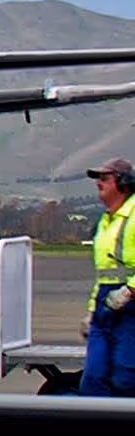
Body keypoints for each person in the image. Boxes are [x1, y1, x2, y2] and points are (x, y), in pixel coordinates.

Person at [83, 160, 135, 399]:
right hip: (106, 305)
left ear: (123, 184)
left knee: (125, 380)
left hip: (130, 309)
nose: (98, 183)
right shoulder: (105, 221)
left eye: (105, 178)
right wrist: (93, 310)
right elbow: (104, 273)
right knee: (93, 380)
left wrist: (129, 291)